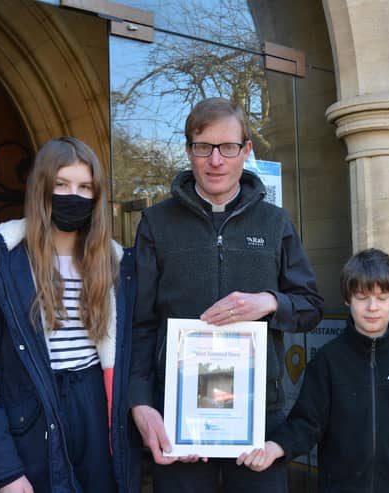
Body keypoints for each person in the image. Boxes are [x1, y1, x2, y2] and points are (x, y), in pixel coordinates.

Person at [129, 97, 324, 492]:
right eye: (203, 147)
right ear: (189, 151)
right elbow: (140, 323)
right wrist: (142, 403)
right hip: (179, 419)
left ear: (246, 150)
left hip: (257, 417)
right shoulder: (156, 223)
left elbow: (311, 306)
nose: (215, 160)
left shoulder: (275, 223)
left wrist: (269, 303)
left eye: (228, 147)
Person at [0, 137, 138, 492]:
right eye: (61, 184)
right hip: (30, 413)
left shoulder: (117, 265)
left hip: (94, 410)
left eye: (85, 187)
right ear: (42, 188)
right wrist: (4, 471)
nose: (74, 195)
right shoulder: (1, 263)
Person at [237, 248, 389, 492]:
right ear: (347, 299)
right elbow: (306, 423)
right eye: (362, 297)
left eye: (382, 297)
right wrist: (275, 448)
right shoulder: (327, 362)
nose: (372, 307)